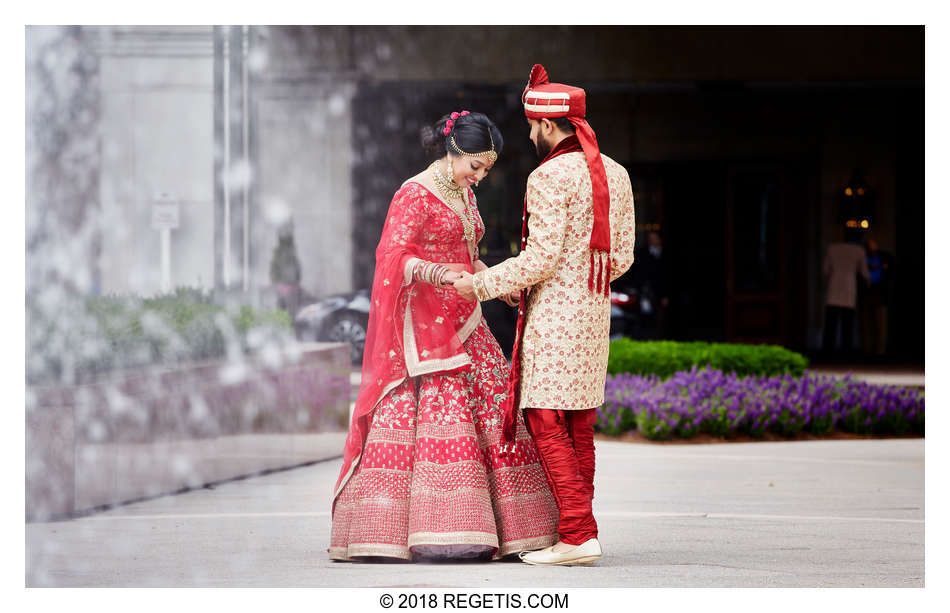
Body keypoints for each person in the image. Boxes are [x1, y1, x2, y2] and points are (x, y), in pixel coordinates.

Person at [329, 110, 559, 562]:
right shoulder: (414, 193)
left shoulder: (466, 197)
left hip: (468, 316)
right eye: (475, 166)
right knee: (435, 412)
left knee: (495, 406)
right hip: (425, 326)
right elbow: (392, 256)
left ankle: (508, 530)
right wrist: (435, 273)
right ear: (453, 151)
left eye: (487, 169)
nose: (480, 176)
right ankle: (420, 530)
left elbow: (470, 257)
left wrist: (498, 283)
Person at [454, 65, 636, 566]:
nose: (530, 134)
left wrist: (482, 284)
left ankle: (577, 535)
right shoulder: (616, 174)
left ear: (548, 126)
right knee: (578, 422)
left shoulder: (549, 175)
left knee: (544, 418)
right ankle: (581, 530)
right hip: (594, 318)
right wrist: (579, 280)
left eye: (533, 126)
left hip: (555, 318)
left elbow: (540, 259)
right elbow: (621, 258)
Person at [821, 229, 870, 357]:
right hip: (849, 287)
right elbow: (864, 272)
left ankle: (827, 352)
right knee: (847, 325)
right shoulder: (859, 251)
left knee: (831, 324)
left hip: (834, 286)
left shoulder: (832, 248)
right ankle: (846, 353)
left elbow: (825, 270)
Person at [859, 237, 894, 357]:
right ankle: (866, 350)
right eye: (869, 247)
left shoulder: (883, 258)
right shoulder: (862, 258)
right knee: (865, 324)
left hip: (880, 294)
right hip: (866, 294)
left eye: (874, 247)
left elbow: (890, 272)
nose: (872, 249)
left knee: (881, 324)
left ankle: (880, 352)